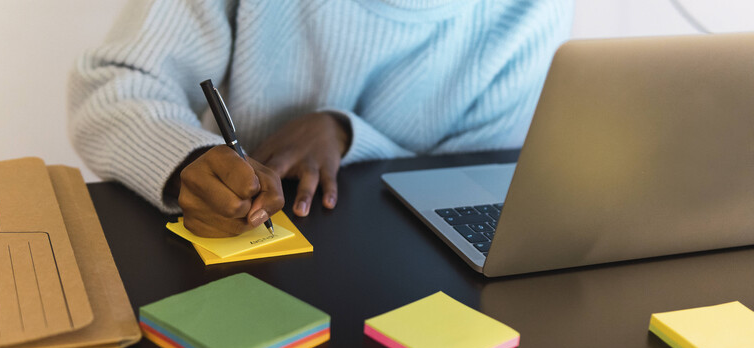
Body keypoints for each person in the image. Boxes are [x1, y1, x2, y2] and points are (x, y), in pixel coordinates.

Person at [68, 0, 573, 237]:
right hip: (249, 269)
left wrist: (348, 135)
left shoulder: (532, 12)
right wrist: (188, 159)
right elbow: (113, 84)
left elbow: (485, 185)